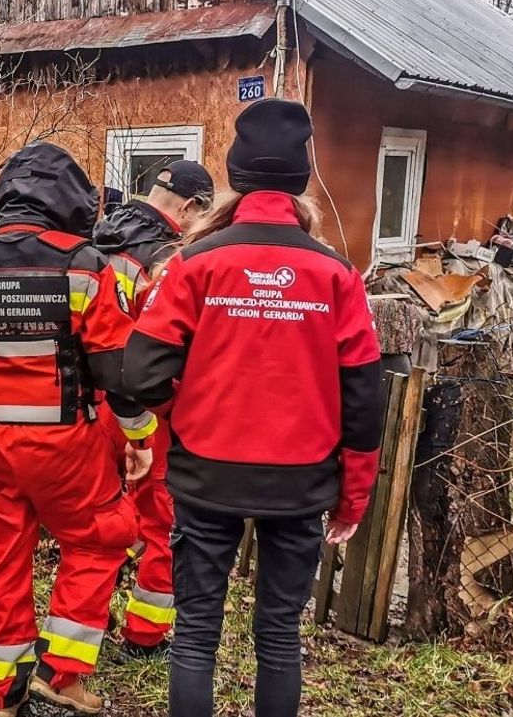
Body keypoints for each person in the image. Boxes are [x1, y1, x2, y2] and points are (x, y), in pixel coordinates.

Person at [123, 99, 383, 717]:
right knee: (278, 637)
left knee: (194, 639)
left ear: (235, 176)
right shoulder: (337, 273)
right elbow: (365, 395)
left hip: (206, 476)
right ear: (300, 181)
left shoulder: (193, 263)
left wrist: (198, 393)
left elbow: (140, 373)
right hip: (301, 485)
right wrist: (353, 496)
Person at [0, 141, 158, 717]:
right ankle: (63, 673)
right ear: (72, 203)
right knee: (99, 539)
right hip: (68, 444)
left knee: (2, 555)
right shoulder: (85, 267)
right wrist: (139, 437)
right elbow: (114, 370)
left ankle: (2, 696)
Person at [93, 159, 215, 661]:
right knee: (161, 521)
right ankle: (144, 636)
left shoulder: (95, 239)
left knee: (98, 519)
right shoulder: (174, 259)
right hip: (151, 409)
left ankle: (87, 620)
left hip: (94, 403)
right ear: (188, 208)